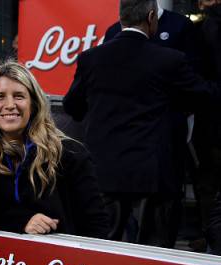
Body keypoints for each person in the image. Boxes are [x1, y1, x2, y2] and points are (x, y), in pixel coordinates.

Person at [63, 0, 221, 248]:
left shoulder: (90, 58)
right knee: (154, 260)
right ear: (151, 17)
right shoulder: (169, 60)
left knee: (102, 253)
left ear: (121, 18)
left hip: (104, 172)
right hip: (154, 176)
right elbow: (204, 95)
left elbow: (73, 106)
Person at [0, 61, 109, 238]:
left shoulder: (71, 153)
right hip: (2, 262)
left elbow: (95, 225)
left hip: (61, 262)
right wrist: (22, 221)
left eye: (19, 96)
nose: (9, 105)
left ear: (33, 103)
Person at [191, 0, 221, 250]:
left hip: (212, 118)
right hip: (211, 116)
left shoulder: (208, 27)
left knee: (209, 180)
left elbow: (199, 73)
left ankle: (211, 235)